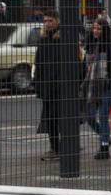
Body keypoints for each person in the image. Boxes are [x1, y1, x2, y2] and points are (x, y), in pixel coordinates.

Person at [33, 14, 82, 170]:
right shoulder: (43, 40)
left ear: (58, 21)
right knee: (50, 119)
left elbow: (77, 63)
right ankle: (55, 147)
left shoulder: (64, 39)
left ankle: (66, 146)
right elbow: (38, 63)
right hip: (48, 87)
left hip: (63, 87)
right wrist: (38, 84)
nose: (47, 23)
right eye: (45, 21)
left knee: (63, 118)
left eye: (50, 20)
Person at [82, 16, 111, 160]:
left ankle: (104, 147)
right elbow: (85, 68)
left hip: (108, 86)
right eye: (94, 28)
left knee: (103, 115)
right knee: (89, 118)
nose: (96, 31)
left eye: (99, 28)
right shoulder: (89, 45)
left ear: (105, 30)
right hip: (93, 87)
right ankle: (105, 136)